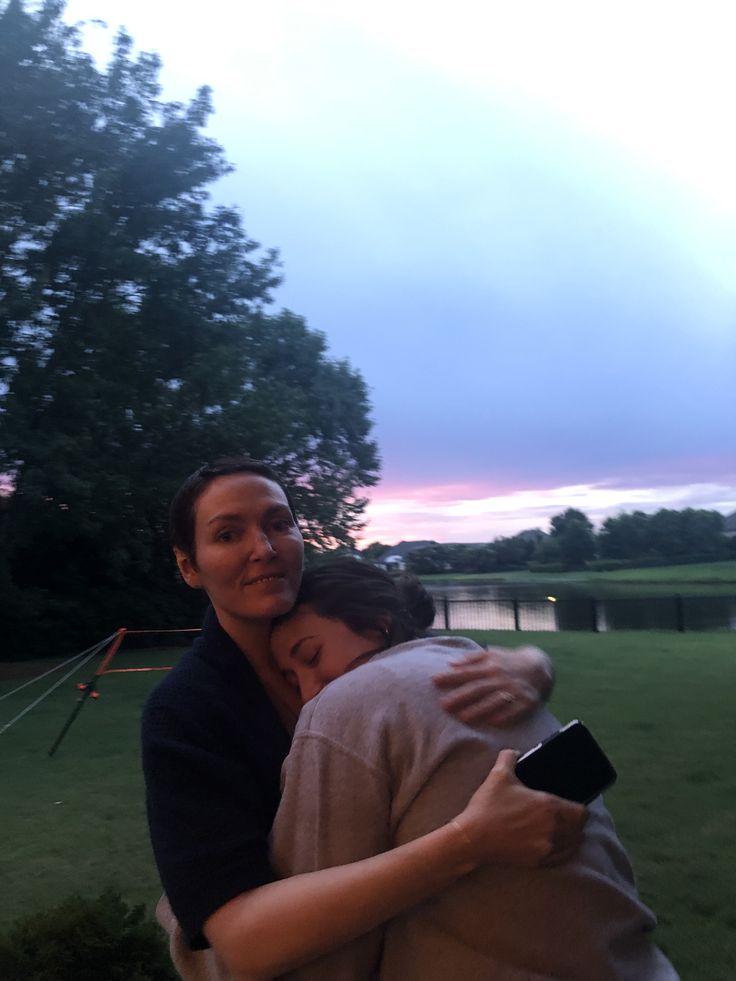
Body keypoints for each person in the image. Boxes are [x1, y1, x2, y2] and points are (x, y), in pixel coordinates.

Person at [142, 457, 586, 981]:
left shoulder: (335, 635)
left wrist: (534, 662)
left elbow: (412, 664)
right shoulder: (188, 711)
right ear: (189, 566)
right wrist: (469, 841)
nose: (262, 548)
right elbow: (241, 939)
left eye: (279, 524)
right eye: (227, 534)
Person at [269, 559, 679, 981]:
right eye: (290, 677)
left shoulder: (345, 705)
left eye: (311, 655)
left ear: (376, 626)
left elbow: (316, 951)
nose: (307, 690)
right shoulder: (480, 668)